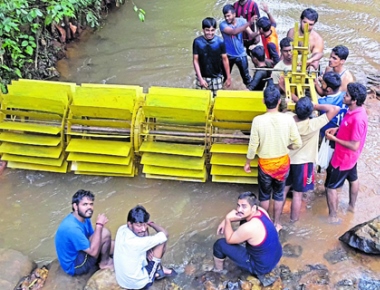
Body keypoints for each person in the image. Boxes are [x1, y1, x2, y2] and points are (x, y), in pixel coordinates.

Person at [244, 85, 302, 230]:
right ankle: (276, 223)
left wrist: (248, 162)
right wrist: (288, 147)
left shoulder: (258, 120)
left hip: (265, 165)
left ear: (263, 101)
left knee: (264, 195)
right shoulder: (288, 119)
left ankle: (264, 224)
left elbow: (253, 145)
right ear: (278, 101)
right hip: (282, 164)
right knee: (278, 194)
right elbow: (298, 143)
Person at [283, 98, 340, 222]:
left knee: (283, 190)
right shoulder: (313, 124)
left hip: (286, 160)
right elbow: (335, 109)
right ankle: (293, 222)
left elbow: (285, 110)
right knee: (297, 194)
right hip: (303, 164)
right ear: (310, 112)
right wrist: (315, 105)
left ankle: (275, 219)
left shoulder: (287, 118)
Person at [324, 82, 368, 223]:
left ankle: (333, 217)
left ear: (354, 100)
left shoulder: (358, 118)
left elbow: (354, 145)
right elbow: (348, 128)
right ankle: (351, 207)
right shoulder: (356, 110)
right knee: (353, 179)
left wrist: (334, 139)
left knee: (330, 188)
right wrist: (337, 129)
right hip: (351, 159)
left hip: (342, 159)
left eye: (347, 95)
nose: (344, 96)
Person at [213, 191, 282, 276]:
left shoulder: (249, 227)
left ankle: (218, 272)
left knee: (219, 244)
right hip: (276, 256)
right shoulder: (261, 210)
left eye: (244, 206)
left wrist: (227, 219)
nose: (239, 209)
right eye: (238, 205)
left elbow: (229, 240)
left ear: (253, 208)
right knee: (243, 220)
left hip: (261, 268)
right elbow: (241, 214)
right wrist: (225, 221)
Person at [114, 205, 177, 289]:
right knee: (162, 242)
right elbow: (165, 234)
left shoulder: (121, 229)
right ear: (130, 224)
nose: (143, 229)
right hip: (138, 284)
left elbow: (143, 234)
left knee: (145, 237)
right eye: (139, 225)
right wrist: (151, 224)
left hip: (121, 281)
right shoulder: (138, 243)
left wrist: (148, 249)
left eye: (145, 224)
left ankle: (157, 268)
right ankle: (157, 272)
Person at [55, 189, 113, 276]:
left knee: (113, 244)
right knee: (105, 233)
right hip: (74, 265)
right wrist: (99, 225)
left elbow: (92, 236)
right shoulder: (72, 228)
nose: (89, 207)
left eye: (91, 204)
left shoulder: (84, 217)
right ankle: (104, 263)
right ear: (75, 206)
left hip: (80, 251)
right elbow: (93, 252)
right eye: (85, 204)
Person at [220, 4, 258, 89]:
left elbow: (251, 34)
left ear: (234, 14)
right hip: (228, 55)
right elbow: (234, 32)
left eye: (228, 16)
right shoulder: (222, 25)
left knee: (246, 78)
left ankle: (251, 93)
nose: (227, 18)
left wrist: (259, 32)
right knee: (224, 77)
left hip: (241, 55)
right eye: (225, 16)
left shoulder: (242, 21)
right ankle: (220, 93)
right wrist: (249, 23)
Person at [193, 17, 231, 97]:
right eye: (207, 30)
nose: (210, 33)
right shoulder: (197, 42)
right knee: (201, 99)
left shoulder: (220, 42)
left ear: (215, 30)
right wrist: (200, 79)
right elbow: (195, 60)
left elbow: (225, 59)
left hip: (216, 77)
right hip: (202, 77)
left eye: (212, 30)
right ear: (203, 30)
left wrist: (228, 77)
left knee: (217, 99)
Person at [317, 71, 347, 137]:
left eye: (323, 84)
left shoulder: (321, 102)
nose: (321, 85)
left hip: (327, 133)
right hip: (341, 130)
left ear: (329, 89)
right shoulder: (346, 96)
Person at [273, 37, 293, 111]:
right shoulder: (277, 68)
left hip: (300, 91)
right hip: (285, 95)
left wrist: (311, 65)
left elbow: (319, 54)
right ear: (281, 51)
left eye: (290, 50)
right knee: (286, 111)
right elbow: (277, 90)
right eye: (285, 51)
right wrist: (282, 85)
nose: (289, 53)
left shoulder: (302, 62)